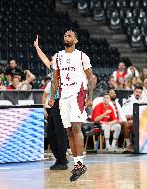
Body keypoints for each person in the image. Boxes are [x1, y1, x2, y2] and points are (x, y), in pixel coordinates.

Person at [49, 30, 94, 181]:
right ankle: (77, 165)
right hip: (63, 97)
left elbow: (91, 77)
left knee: (76, 127)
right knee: (68, 131)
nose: (66, 37)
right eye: (65, 36)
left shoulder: (82, 56)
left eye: (69, 36)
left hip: (77, 94)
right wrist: (52, 96)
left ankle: (80, 163)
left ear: (75, 40)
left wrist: (90, 96)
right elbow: (55, 79)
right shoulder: (57, 56)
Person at [34, 35, 68, 170]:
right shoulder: (54, 70)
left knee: (60, 132)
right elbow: (43, 58)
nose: (51, 59)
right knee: (51, 132)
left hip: (62, 103)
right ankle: (59, 159)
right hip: (54, 104)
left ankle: (63, 160)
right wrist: (37, 48)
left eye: (54, 58)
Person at [122, 85, 144, 150]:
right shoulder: (129, 100)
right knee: (127, 124)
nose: (138, 93)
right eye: (136, 92)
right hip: (131, 119)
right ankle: (129, 143)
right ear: (134, 92)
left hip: (141, 119)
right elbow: (124, 113)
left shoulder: (143, 100)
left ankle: (139, 144)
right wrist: (131, 115)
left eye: (140, 92)